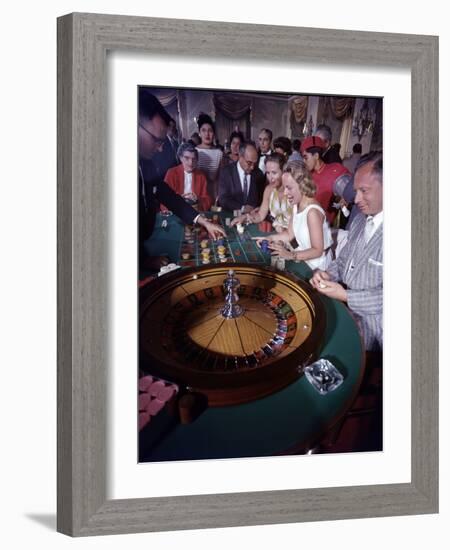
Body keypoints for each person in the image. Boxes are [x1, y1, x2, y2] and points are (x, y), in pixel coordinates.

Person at [138, 89, 225, 266]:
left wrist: (204, 222)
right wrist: (141, 261)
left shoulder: (146, 163)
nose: (161, 148)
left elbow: (168, 196)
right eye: (156, 140)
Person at [310, 151, 383, 351]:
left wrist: (346, 295)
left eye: (364, 190)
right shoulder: (360, 219)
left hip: (376, 330)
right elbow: (343, 261)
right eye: (355, 190)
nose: (356, 198)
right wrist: (328, 274)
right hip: (348, 315)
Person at [259, 160, 332, 271]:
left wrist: (290, 255)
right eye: (285, 188)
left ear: (302, 185)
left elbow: (317, 250)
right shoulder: (296, 205)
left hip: (317, 268)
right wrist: (269, 238)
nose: (285, 193)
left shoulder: (312, 212)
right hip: (302, 260)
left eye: (289, 188)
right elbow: (289, 234)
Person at [231, 153, 291, 232]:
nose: (270, 178)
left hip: (292, 237)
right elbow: (260, 215)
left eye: (274, 173)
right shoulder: (268, 190)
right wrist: (245, 217)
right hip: (277, 235)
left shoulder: (292, 191)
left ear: (284, 172)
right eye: (268, 173)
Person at [301, 135, 350, 224]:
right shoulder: (306, 175)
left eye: (306, 157)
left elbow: (353, 188)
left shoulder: (336, 170)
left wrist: (345, 198)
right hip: (307, 222)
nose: (304, 161)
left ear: (316, 156)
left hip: (328, 225)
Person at [162, 142, 212, 211]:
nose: (191, 162)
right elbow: (164, 198)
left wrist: (197, 198)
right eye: (187, 158)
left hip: (195, 212)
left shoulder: (201, 175)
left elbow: (207, 200)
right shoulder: (171, 173)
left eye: (194, 159)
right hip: (176, 212)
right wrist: (178, 200)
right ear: (180, 158)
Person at [218, 142, 265, 212]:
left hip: (252, 218)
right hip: (231, 216)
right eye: (249, 163)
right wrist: (242, 208)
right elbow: (223, 199)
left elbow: (261, 200)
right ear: (240, 157)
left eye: (254, 163)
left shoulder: (259, 174)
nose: (252, 167)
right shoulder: (226, 172)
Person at [195, 113, 223, 201]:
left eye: (210, 130)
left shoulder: (219, 153)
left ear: (214, 134)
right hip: (196, 193)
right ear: (199, 133)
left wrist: (219, 196)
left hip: (213, 195)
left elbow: (220, 178)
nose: (207, 134)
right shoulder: (194, 152)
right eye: (203, 130)